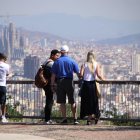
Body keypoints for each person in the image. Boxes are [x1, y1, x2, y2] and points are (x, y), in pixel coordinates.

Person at [51, 45, 80, 125]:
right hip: (69, 81)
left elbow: (53, 75)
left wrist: (52, 85)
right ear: (68, 52)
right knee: (72, 101)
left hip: (60, 81)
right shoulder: (72, 61)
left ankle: (65, 120)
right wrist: (80, 79)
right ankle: (75, 119)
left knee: (62, 102)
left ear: (60, 52)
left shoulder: (57, 61)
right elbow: (78, 73)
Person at [79, 51, 105, 125]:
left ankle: (91, 118)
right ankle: (94, 116)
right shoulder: (96, 64)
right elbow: (98, 74)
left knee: (86, 101)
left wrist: (81, 77)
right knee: (93, 101)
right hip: (93, 85)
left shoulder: (84, 64)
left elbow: (81, 74)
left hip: (86, 85)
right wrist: (102, 79)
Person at [43, 49, 60, 124]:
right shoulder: (52, 64)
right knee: (50, 102)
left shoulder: (46, 62)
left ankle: (47, 119)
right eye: (56, 55)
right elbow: (55, 74)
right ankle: (47, 119)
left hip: (45, 84)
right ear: (52, 55)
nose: (57, 57)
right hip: (50, 84)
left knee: (48, 102)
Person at [0, 53, 9, 123]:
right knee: (3, 102)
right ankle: (3, 117)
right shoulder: (6, 65)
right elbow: (7, 74)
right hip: (2, 85)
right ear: (5, 59)